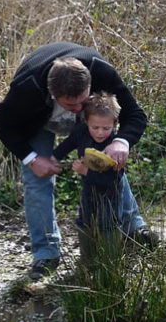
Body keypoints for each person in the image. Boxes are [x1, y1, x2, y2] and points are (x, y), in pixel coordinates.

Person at [0, 42, 153, 280]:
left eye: (82, 102)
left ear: (90, 86)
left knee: (108, 163)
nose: (77, 109)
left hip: (93, 120)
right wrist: (33, 159)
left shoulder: (101, 73)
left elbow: (135, 114)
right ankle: (46, 254)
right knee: (37, 179)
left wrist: (122, 142)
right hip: (37, 121)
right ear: (53, 93)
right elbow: (2, 123)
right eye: (70, 105)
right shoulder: (27, 88)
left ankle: (134, 229)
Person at [52, 92, 130, 237]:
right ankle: (87, 257)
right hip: (88, 190)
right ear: (86, 121)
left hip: (110, 196)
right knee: (85, 221)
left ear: (114, 124)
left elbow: (112, 179)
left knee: (108, 224)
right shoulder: (81, 131)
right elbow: (68, 143)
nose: (100, 133)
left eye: (106, 128)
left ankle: (110, 257)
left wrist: (85, 171)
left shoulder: (114, 148)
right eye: (95, 127)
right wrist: (54, 157)